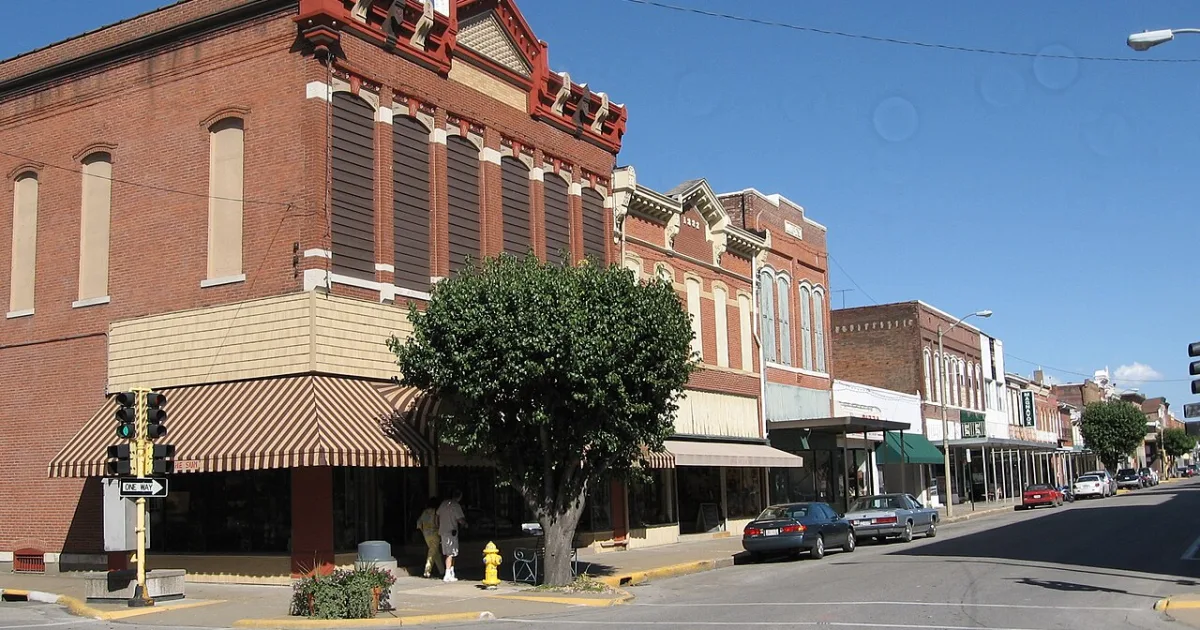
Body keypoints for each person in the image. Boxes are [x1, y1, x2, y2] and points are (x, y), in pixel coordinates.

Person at [436, 490, 466, 582]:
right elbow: (460, 519)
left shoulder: (443, 504)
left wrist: (437, 525)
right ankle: (447, 573)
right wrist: (465, 524)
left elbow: (437, 515)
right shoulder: (455, 505)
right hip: (451, 532)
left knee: (451, 553)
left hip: (443, 531)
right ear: (459, 497)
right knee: (450, 553)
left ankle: (451, 572)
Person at [415, 496, 444, 579]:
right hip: (435, 533)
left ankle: (442, 570)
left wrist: (423, 530)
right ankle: (427, 571)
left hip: (426, 534)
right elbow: (438, 523)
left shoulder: (425, 512)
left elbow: (419, 523)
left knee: (435, 552)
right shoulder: (436, 512)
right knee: (432, 552)